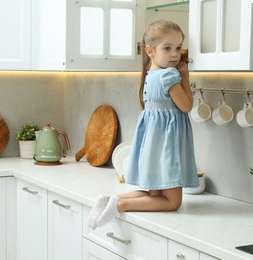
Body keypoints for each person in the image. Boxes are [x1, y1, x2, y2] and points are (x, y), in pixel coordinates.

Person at [87, 19, 199, 230]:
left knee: (153, 193)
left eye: (177, 47)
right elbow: (186, 106)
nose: (174, 54)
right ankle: (119, 204)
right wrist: (185, 77)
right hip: (167, 149)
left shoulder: (150, 76)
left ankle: (109, 199)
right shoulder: (170, 75)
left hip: (154, 148)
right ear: (150, 51)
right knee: (173, 202)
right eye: (167, 48)